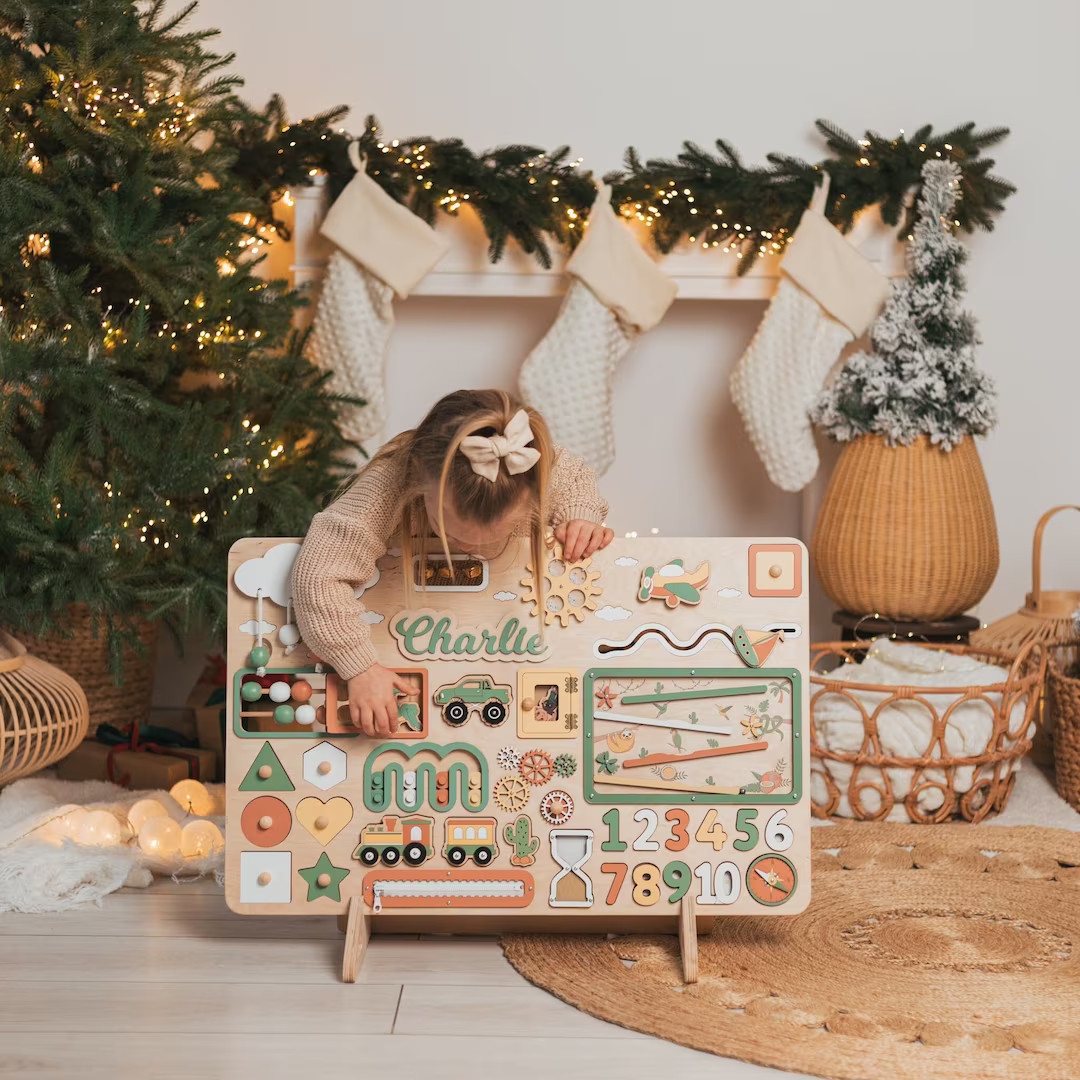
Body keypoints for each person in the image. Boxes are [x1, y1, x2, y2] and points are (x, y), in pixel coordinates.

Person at [292, 388, 613, 736]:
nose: (471, 550)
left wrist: (580, 517)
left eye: (490, 538)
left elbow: (573, 478)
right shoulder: (391, 482)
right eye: (453, 535)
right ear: (419, 478)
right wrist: (359, 666)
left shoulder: (542, 472)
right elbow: (318, 574)